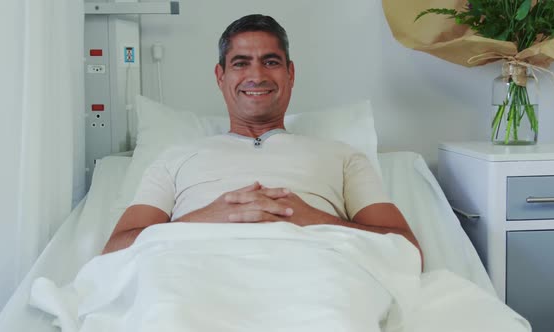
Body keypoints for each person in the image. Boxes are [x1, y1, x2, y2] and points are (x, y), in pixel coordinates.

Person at [102, 14, 421, 260]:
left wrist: (312, 218)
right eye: (241, 63)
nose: (257, 75)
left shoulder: (343, 158)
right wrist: (205, 218)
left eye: (271, 62)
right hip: (194, 273)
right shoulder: (174, 159)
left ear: (290, 73)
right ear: (220, 76)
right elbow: (115, 250)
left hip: (317, 274)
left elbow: (406, 249)